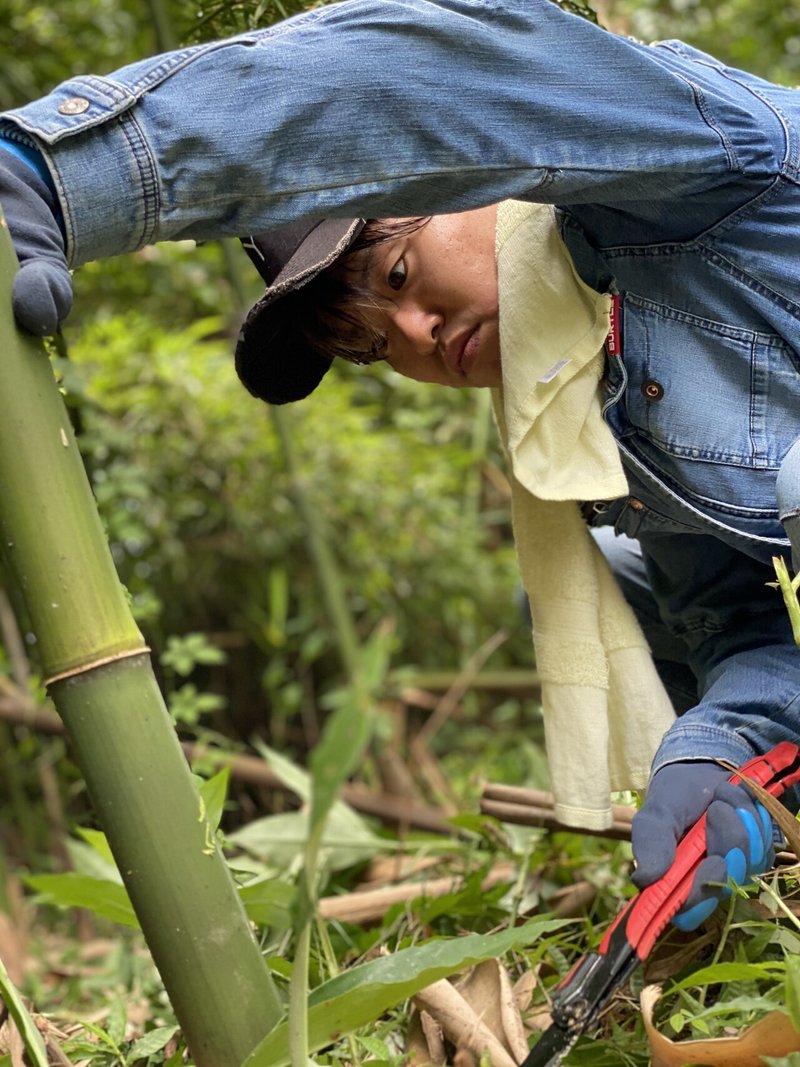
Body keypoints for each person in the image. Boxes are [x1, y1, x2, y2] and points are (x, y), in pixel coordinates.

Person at [1, 0, 798, 934]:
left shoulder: (693, 159)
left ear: (470, 179)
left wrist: (70, 173)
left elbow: (434, 86)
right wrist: (728, 750)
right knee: (614, 589)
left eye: (398, 275)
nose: (416, 334)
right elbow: (746, 623)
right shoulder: (581, 404)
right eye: (375, 345)